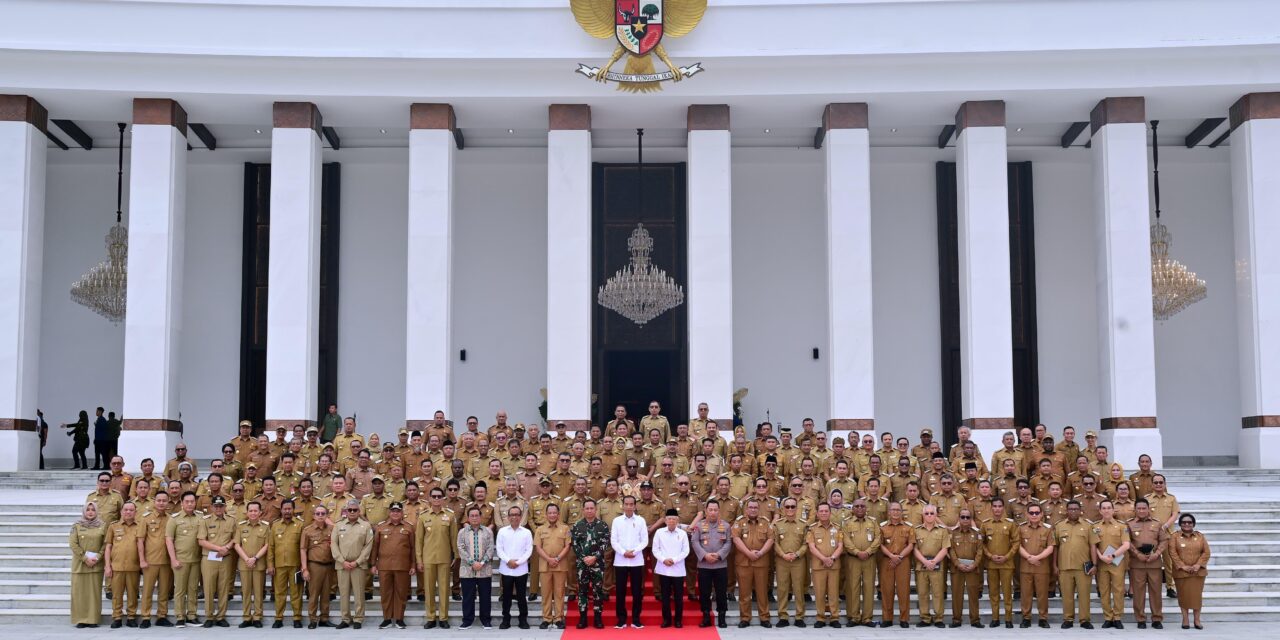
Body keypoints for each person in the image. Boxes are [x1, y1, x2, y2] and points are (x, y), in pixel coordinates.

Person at [1054, 500, 1099, 628]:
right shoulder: (1059, 526)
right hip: (1064, 566)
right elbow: (1055, 547)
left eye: (1076, 509)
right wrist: (1054, 565)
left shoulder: (1088, 526)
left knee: (1084, 595)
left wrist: (1095, 564)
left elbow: (1093, 546)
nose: (1073, 511)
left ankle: (1084, 620)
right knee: (1067, 595)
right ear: (1066, 511)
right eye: (1071, 509)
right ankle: (1068, 619)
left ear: (1080, 511)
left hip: (1083, 567)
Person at [330, 498, 373, 629]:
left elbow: (368, 546)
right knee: (343, 593)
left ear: (359, 511)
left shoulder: (365, 525)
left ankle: (358, 619)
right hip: (342, 565)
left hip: (358, 565)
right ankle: (345, 618)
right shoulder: (338, 525)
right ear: (346, 511)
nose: (352, 512)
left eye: (355, 510)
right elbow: (333, 544)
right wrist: (342, 561)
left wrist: (357, 561)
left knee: (359, 593)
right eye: (350, 510)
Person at [372, 501, 415, 629]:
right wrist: (373, 564)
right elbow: (375, 547)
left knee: (401, 593)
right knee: (385, 593)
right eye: (393, 511)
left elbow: (413, 548)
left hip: (402, 566)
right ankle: (387, 618)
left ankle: (399, 618)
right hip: (384, 566)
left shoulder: (409, 527)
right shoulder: (381, 527)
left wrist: (413, 565)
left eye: (398, 511)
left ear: (402, 513)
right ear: (389, 512)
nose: (395, 513)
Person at [1128, 498, 1170, 628]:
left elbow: (1164, 541)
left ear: (1148, 509)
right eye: (1139, 508)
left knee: (1156, 592)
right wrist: (1137, 554)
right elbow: (1127, 542)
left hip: (1154, 563)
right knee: (1138, 592)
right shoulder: (1129, 524)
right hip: (1137, 563)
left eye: (1143, 508)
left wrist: (1157, 553)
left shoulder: (1157, 523)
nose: (1141, 511)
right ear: (1135, 510)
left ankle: (1156, 618)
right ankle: (1140, 619)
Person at [731, 497, 773, 628]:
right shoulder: (739, 522)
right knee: (744, 593)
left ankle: (764, 617)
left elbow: (770, 539)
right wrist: (748, 553)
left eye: (755, 507)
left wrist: (760, 553)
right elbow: (736, 539)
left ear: (759, 509)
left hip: (761, 562)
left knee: (762, 592)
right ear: (746, 509)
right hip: (744, 563)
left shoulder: (766, 522)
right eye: (751, 507)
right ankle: (745, 618)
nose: (753, 510)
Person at [692, 499, 732, 628]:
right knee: (704, 592)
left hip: (720, 565)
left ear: (719, 511)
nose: (713, 512)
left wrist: (719, 555)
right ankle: (706, 617)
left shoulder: (725, 526)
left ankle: (721, 617)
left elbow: (728, 543)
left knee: (721, 592)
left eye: (715, 510)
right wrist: (705, 555)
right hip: (704, 565)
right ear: (706, 511)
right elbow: (695, 542)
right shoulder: (699, 525)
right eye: (710, 510)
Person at [570, 499, 610, 629]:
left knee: (598, 591)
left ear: (596, 509)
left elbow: (605, 544)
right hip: (582, 565)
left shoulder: (602, 525)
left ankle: (598, 618)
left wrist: (594, 557)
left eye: (591, 508)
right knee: (582, 591)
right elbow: (575, 545)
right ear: (583, 510)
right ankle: (583, 618)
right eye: (586, 508)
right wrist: (584, 558)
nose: (589, 511)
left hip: (598, 564)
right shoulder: (577, 526)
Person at [610, 495, 648, 628]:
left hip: (637, 561)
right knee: (620, 591)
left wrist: (635, 551)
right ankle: (621, 619)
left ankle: (636, 619)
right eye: (626, 504)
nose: (629, 506)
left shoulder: (641, 520)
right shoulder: (617, 521)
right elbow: (614, 540)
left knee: (637, 591)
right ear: (623, 505)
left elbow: (644, 540)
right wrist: (623, 552)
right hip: (620, 561)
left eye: (631, 504)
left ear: (635, 506)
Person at [165, 491, 202, 627]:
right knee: (180, 589)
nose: (190, 504)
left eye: (192, 501)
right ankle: (180, 616)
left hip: (196, 560)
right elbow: (169, 540)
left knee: (193, 588)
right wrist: (173, 559)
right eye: (187, 502)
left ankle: (192, 615)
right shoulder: (174, 519)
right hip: (181, 559)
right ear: (182, 503)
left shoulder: (200, 518)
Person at [981, 497, 1019, 628]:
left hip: (1006, 564)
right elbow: (982, 543)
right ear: (991, 508)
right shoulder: (985, 524)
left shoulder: (1010, 524)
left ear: (1003, 508)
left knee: (1007, 592)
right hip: (992, 564)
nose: (997, 509)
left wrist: (1007, 556)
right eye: (995, 506)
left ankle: (1008, 619)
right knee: (993, 592)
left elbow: (1016, 542)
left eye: (999, 506)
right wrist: (990, 556)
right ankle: (995, 618)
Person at [842, 498, 880, 626]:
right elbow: (845, 540)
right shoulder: (847, 523)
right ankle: (854, 617)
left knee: (869, 588)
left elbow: (877, 538)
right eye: (857, 506)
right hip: (853, 559)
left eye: (862, 506)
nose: (859, 508)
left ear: (866, 508)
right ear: (852, 509)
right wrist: (857, 552)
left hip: (869, 559)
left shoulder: (873, 522)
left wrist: (868, 552)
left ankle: (867, 618)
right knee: (853, 587)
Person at [268, 499, 306, 628]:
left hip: (295, 565)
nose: (287, 511)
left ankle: (297, 618)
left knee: (296, 593)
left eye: (290, 509)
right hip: (279, 565)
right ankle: (278, 618)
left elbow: (303, 547)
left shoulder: (300, 525)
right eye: (285, 509)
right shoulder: (275, 525)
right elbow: (271, 547)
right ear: (281, 510)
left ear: (293, 510)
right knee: (279, 593)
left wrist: (303, 566)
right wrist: (270, 565)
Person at [137, 491, 173, 628]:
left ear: (168, 501)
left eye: (164, 500)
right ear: (154, 501)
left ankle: (161, 616)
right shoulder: (145, 518)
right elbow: (140, 540)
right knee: (147, 590)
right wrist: (142, 560)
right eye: (159, 500)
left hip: (165, 561)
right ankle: (145, 617)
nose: (161, 503)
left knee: (164, 591)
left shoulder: (171, 519)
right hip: (150, 561)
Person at [70, 502, 108, 628]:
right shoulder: (77, 525)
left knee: (94, 594)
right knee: (79, 593)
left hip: (96, 565)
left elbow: (105, 544)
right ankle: (81, 619)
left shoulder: (102, 525)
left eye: (93, 510)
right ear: (84, 511)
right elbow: (73, 544)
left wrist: (98, 557)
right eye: (88, 510)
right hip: (80, 565)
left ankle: (93, 619)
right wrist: (85, 558)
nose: (90, 512)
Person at [457, 506, 495, 630]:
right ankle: (467, 620)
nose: (474, 518)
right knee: (468, 596)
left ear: (480, 517)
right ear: (468, 518)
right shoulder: (462, 532)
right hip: (467, 570)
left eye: (476, 515)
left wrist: (482, 562)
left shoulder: (488, 531)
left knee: (485, 596)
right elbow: (460, 548)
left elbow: (490, 548)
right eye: (472, 516)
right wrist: (472, 562)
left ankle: (486, 620)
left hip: (484, 569)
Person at [233, 501, 270, 628]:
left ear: (260, 512)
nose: (253, 513)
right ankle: (247, 617)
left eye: (256, 511)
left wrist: (254, 558)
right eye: (251, 511)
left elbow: (267, 545)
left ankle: (258, 617)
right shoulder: (240, 526)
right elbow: (237, 545)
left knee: (259, 592)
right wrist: (246, 559)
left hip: (258, 563)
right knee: (246, 591)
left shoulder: (265, 526)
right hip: (244, 564)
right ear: (247, 512)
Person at [495, 505, 533, 629]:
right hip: (506, 569)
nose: (514, 517)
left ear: (521, 516)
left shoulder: (526, 532)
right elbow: (499, 549)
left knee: (521, 596)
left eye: (517, 514)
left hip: (521, 569)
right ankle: (506, 620)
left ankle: (523, 620)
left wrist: (518, 562)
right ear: (508, 516)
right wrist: (508, 560)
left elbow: (529, 550)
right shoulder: (502, 531)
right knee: (506, 596)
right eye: (512, 515)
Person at [534, 503, 570, 629]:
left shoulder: (565, 529)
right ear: (546, 514)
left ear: (558, 514)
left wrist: (557, 558)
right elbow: (538, 547)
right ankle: (547, 618)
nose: (552, 515)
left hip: (560, 565)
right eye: (550, 513)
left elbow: (567, 546)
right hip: (545, 565)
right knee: (546, 593)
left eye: (555, 513)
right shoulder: (540, 530)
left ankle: (559, 618)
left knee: (559, 593)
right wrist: (549, 559)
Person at [913, 504, 950, 628]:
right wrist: (925, 562)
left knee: (937, 592)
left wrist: (933, 562)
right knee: (922, 593)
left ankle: (938, 618)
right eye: (927, 513)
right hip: (921, 565)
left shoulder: (942, 530)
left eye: (932, 513)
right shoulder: (916, 530)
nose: (929, 515)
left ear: (936, 515)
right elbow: (914, 549)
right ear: (923, 515)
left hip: (937, 566)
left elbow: (945, 548)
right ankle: (925, 618)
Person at [1172, 513, 1210, 629]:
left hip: (1198, 572)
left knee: (1197, 596)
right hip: (1182, 572)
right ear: (1180, 524)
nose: (1187, 524)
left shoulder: (1200, 536)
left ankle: (1197, 620)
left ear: (1193, 524)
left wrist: (1198, 565)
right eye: (1184, 522)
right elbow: (1173, 553)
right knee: (1183, 596)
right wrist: (1182, 566)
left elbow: (1206, 552)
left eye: (1189, 522)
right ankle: (1185, 619)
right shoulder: (1174, 537)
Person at [653, 508, 690, 628]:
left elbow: (686, 551)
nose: (671, 521)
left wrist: (674, 560)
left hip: (678, 569)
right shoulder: (659, 532)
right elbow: (655, 550)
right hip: (663, 569)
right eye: (669, 519)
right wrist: (664, 559)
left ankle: (678, 620)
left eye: (674, 519)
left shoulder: (682, 533)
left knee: (679, 597)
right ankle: (666, 620)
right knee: (665, 596)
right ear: (665, 520)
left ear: (678, 520)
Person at [300, 505, 335, 628]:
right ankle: (313, 619)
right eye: (318, 513)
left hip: (329, 565)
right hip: (314, 565)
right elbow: (303, 549)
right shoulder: (307, 530)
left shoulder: (332, 529)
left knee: (326, 593)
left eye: (323, 513)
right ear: (313, 516)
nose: (320, 516)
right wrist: (304, 569)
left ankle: (324, 618)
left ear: (327, 515)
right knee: (314, 594)